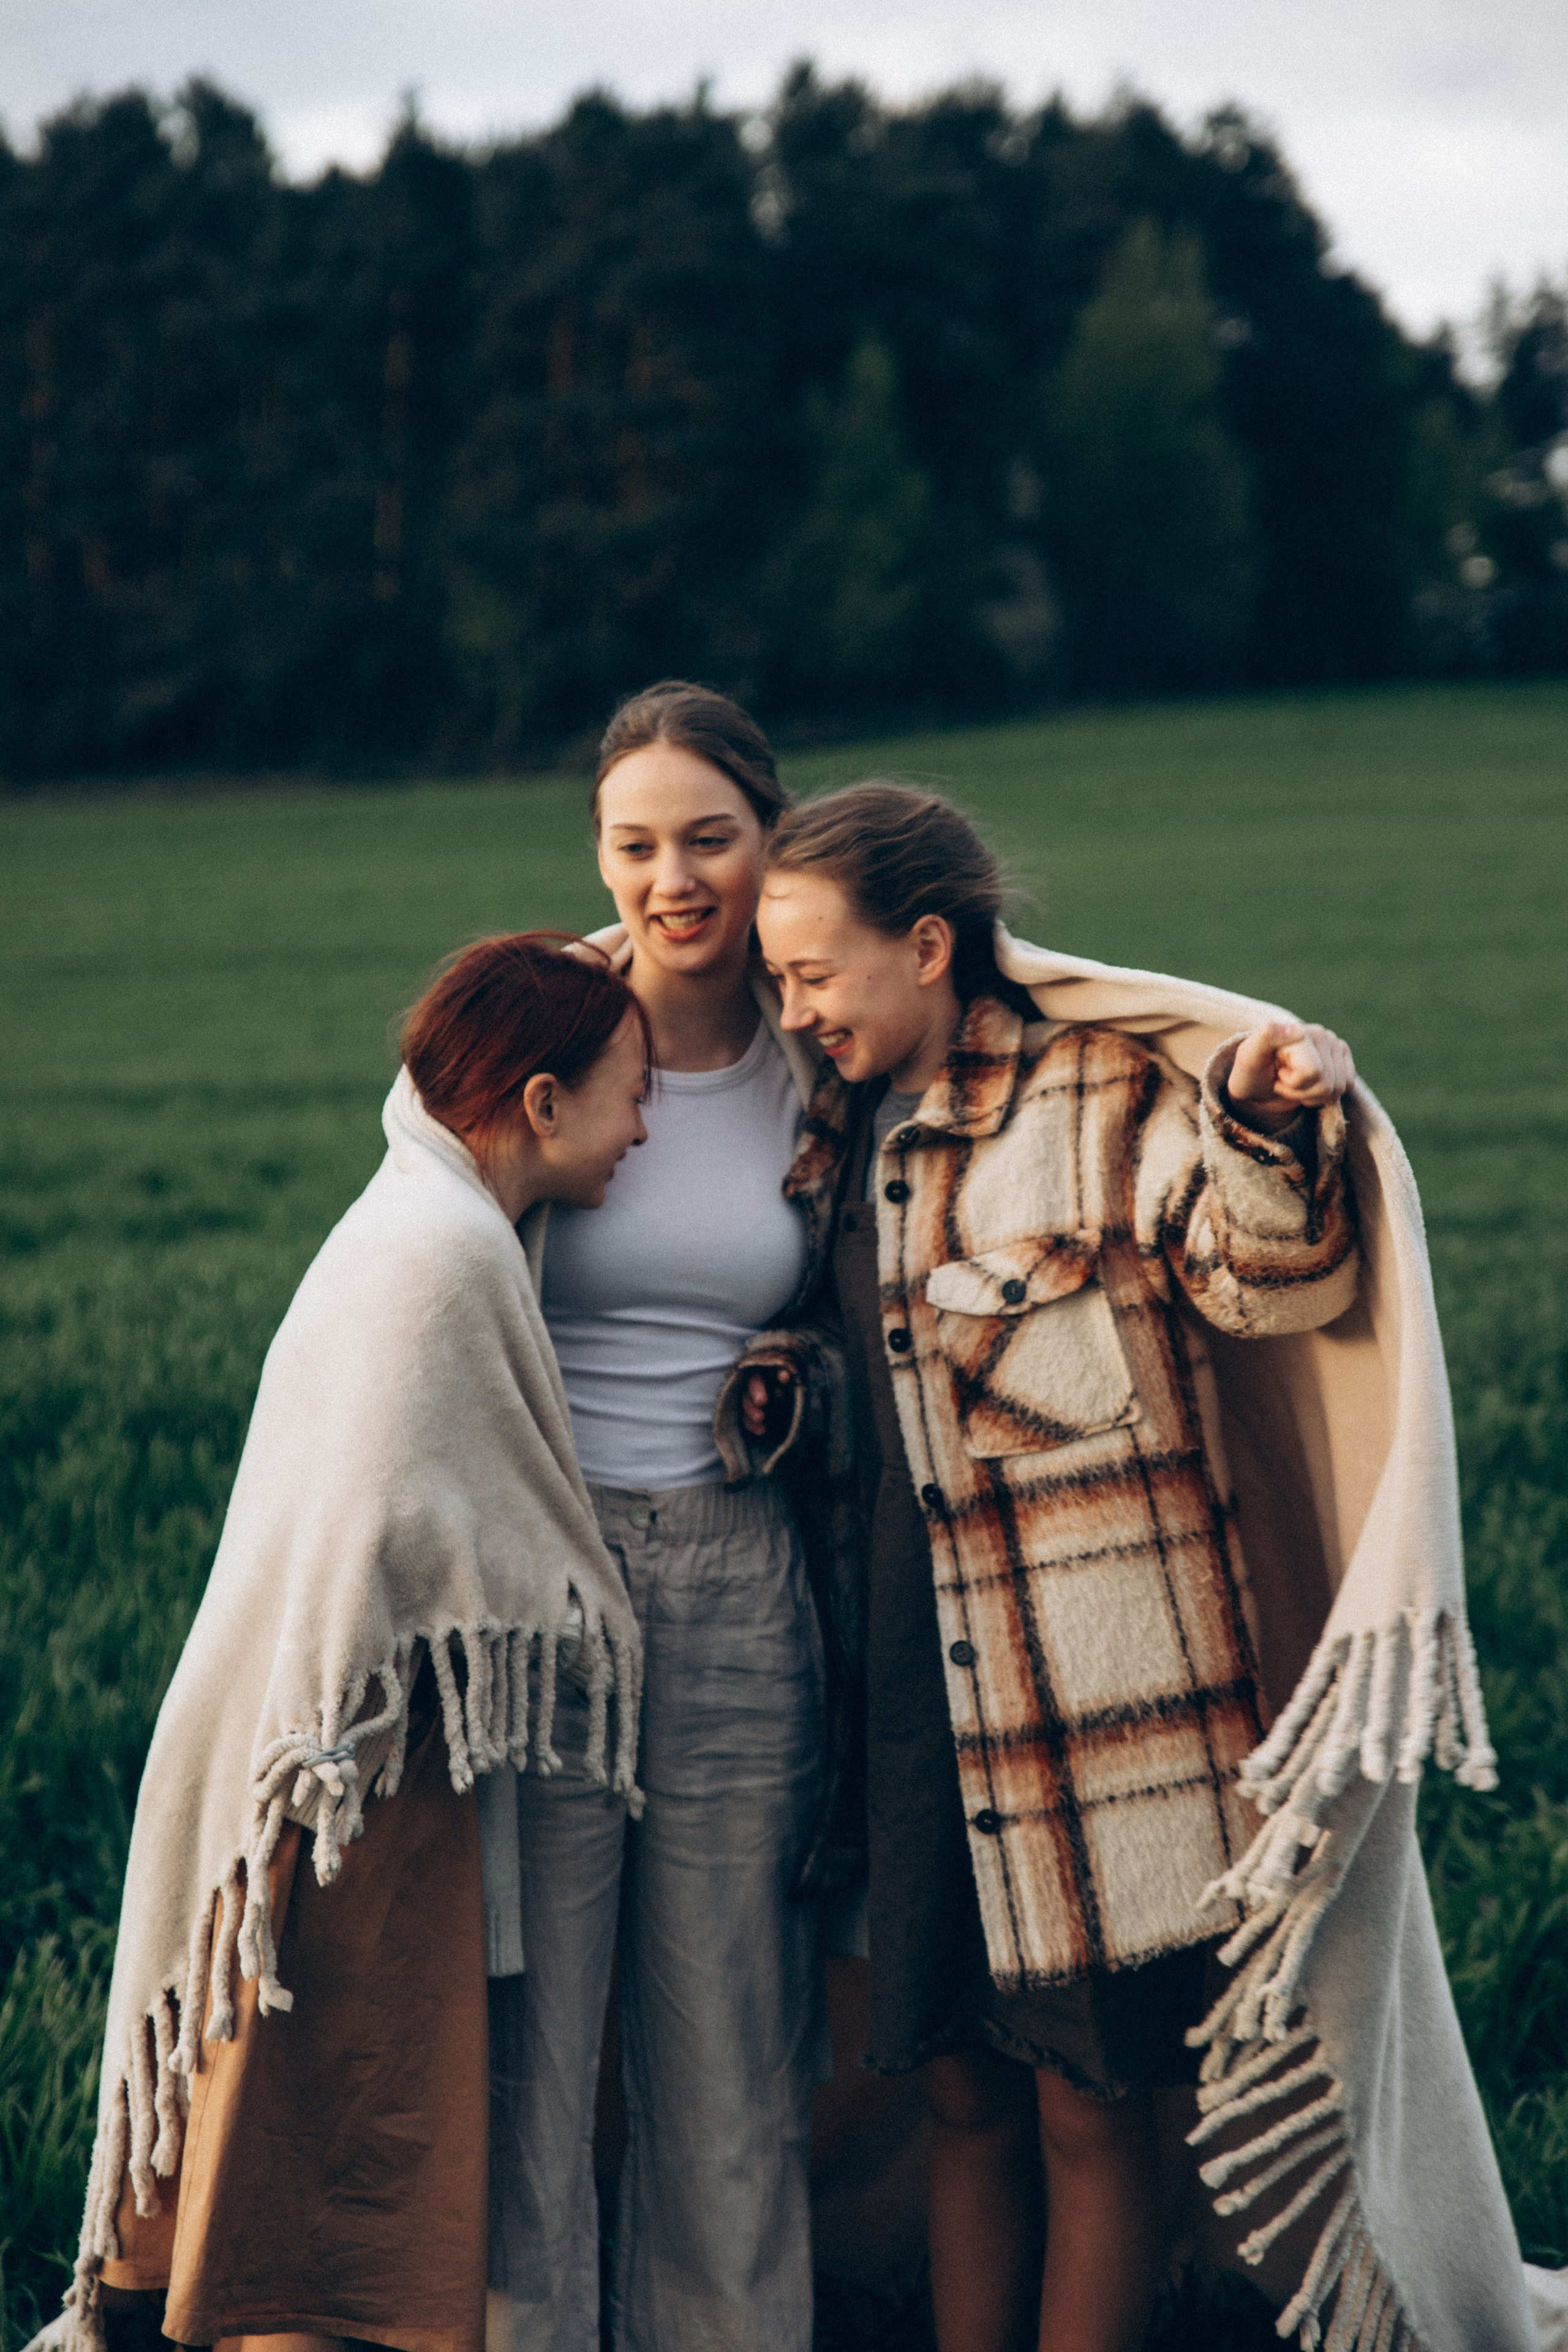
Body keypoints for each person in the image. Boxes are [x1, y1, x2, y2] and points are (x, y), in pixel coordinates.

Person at [729, 784, 1534, 2352]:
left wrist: (1271, 1119)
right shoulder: (828, 1134)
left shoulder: (1098, 1100)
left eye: (811, 972)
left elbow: (1269, 1283)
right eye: (774, 980)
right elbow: (880, 1378)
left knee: (1093, 2117)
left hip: (1089, 1731)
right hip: (903, 1715)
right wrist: (789, 1391)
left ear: (927, 943)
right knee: (961, 2099)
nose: (790, 1008)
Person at [50, 933, 649, 2352]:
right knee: (314, 2182)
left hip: (323, 1764)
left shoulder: (420, 1213)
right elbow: (409, 1537)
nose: (642, 1130)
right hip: (344, 1801)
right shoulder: (436, 1259)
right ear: (542, 1103)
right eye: (631, 1094)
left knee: (313, 2162)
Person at [486, 682, 835, 2352]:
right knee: (530, 2049)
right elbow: (414, 1284)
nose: (673, 876)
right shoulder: (532, 1039)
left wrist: (802, 1381)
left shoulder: (823, 1053)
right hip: (537, 1589)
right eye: (636, 843)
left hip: (733, 1583)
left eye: (710, 837)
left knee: (727, 2052)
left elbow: (886, 1301)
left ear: (772, 842)